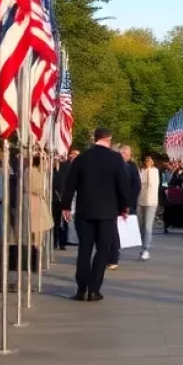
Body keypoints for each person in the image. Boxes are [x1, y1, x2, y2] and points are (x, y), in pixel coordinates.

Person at [60, 128, 131, 301]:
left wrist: (66, 206)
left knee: (85, 249)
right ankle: (94, 288)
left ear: (94, 138)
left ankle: (81, 288)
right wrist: (125, 206)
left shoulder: (82, 158)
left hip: (85, 211)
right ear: (109, 139)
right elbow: (123, 184)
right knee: (102, 251)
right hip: (107, 212)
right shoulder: (115, 159)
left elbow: (70, 184)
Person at [137, 154, 160, 260]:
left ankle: (146, 249)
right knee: (141, 226)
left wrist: (149, 170)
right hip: (140, 200)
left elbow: (152, 184)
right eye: (146, 160)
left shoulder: (155, 171)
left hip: (151, 201)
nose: (148, 161)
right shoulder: (140, 171)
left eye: (150, 160)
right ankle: (142, 247)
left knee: (147, 226)